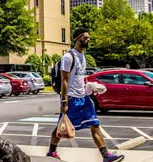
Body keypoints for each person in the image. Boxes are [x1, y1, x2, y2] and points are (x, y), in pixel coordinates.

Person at [46, 27, 124, 162]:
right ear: (77, 38)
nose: (88, 40)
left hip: (84, 98)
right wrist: (64, 102)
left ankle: (106, 155)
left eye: (88, 37)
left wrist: (89, 86)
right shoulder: (68, 57)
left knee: (94, 124)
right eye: (85, 37)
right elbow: (64, 80)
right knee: (61, 127)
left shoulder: (83, 56)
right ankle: (51, 152)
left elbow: (79, 77)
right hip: (71, 98)